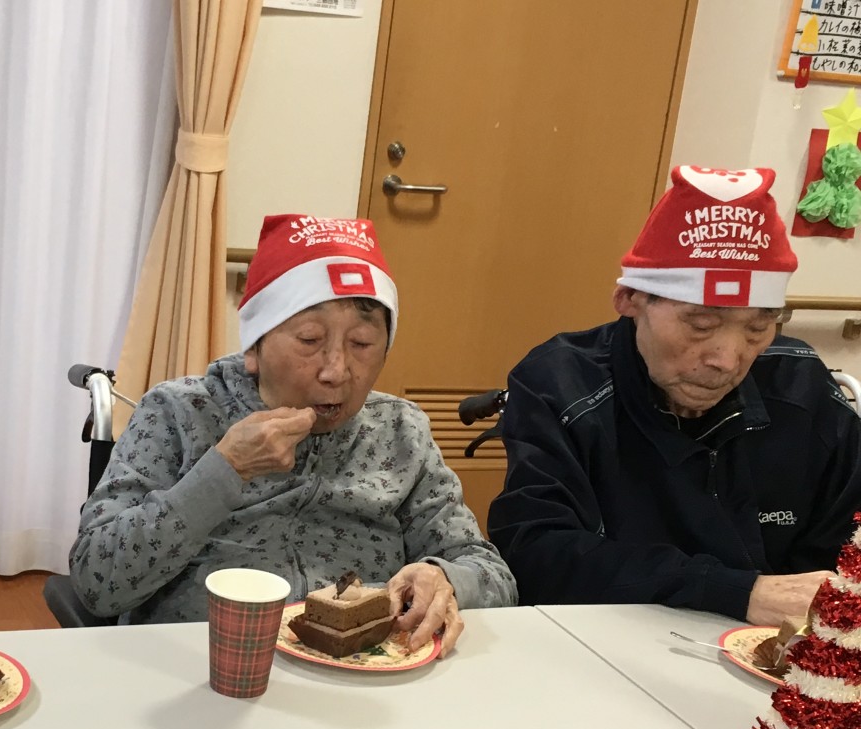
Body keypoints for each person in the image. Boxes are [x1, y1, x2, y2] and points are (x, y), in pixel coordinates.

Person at [69, 214, 516, 655]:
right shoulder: (179, 412)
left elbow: (493, 576)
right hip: (206, 662)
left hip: (362, 675)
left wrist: (445, 578)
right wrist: (224, 470)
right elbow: (96, 581)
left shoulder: (402, 431)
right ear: (254, 347)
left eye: (361, 344)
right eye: (309, 340)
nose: (336, 371)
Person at [487, 165, 861, 626]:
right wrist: (733, 590)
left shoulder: (798, 384)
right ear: (630, 299)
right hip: (605, 633)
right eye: (700, 325)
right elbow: (535, 552)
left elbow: (847, 543)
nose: (727, 359)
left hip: (773, 649)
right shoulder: (561, 383)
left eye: (757, 328)